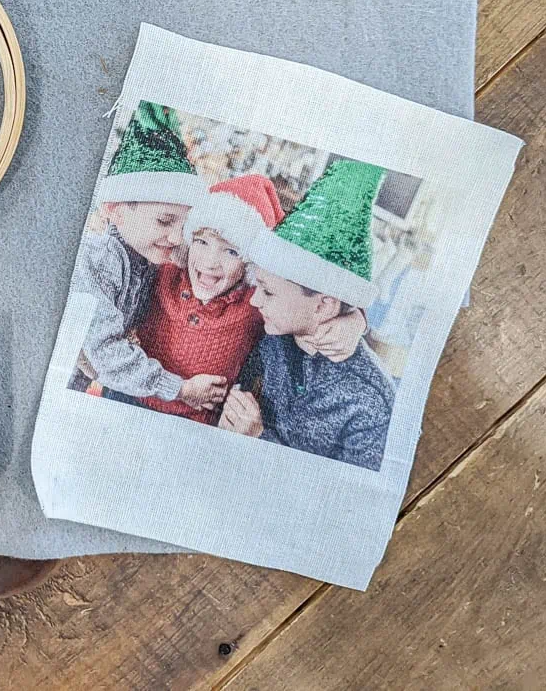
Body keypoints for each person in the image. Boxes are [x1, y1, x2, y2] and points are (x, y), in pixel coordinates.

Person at [134, 174, 368, 425]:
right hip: (130, 398)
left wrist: (356, 320)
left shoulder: (254, 305)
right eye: (201, 241)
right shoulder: (164, 272)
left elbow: (313, 294)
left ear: (249, 266)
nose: (210, 261)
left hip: (193, 427)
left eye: (231, 251)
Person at [218, 160, 395, 472]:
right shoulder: (274, 337)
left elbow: (346, 503)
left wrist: (259, 438)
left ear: (324, 306)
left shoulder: (371, 404)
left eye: (268, 292)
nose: (255, 300)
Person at [69, 101, 227, 412]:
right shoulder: (100, 257)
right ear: (115, 208)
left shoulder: (146, 254)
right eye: (165, 221)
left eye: (183, 225)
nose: (175, 236)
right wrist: (179, 388)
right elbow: (105, 351)